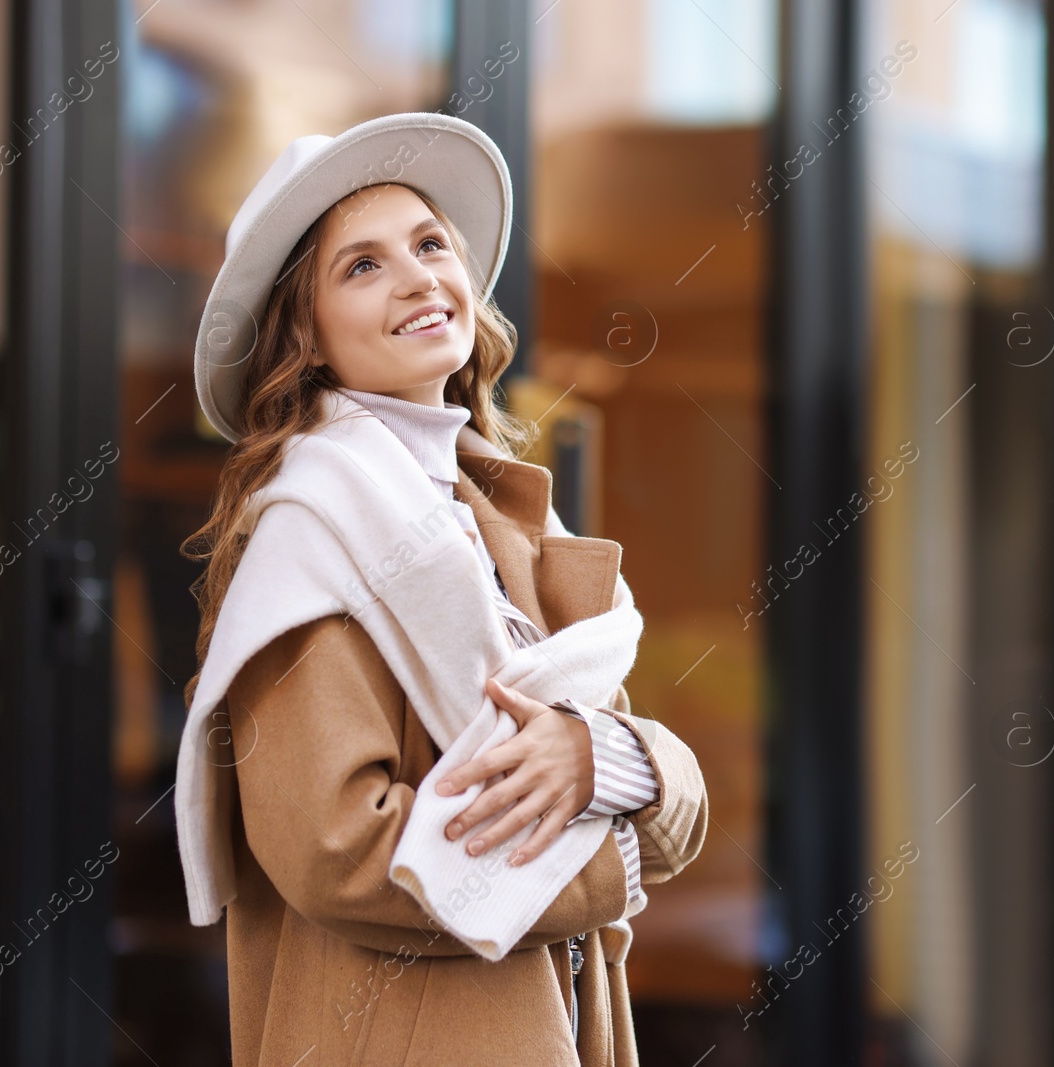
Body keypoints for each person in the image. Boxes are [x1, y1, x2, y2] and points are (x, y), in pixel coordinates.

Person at [176, 112, 709, 1066]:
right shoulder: (308, 542)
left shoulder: (505, 523)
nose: (419, 275)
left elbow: (669, 798)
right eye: (363, 266)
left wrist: (608, 757)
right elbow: (338, 851)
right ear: (307, 336)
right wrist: (610, 853)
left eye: (429, 244)